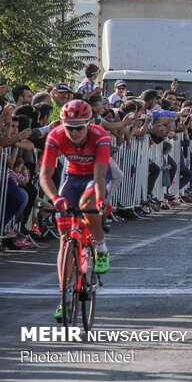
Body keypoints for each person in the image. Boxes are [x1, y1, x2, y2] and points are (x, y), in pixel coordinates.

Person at [39, 100, 111, 321]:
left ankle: (100, 246)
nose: (75, 132)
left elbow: (99, 175)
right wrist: (56, 198)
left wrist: (100, 200)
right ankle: (64, 297)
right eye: (70, 127)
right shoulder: (56, 136)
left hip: (94, 177)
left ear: (88, 124)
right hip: (72, 177)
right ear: (63, 125)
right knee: (64, 238)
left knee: (87, 206)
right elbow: (45, 176)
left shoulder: (100, 136)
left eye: (80, 127)